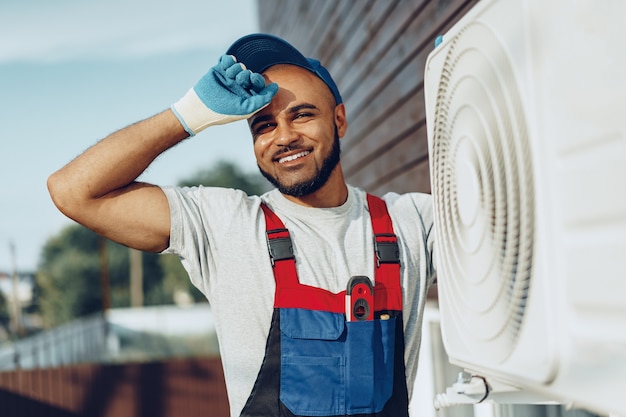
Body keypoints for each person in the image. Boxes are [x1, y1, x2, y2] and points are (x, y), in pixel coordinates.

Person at [48, 33, 435, 417]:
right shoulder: (226, 226)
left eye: (302, 114)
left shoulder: (411, 223)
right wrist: (188, 114)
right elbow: (73, 192)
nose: (283, 136)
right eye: (263, 125)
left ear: (339, 120)